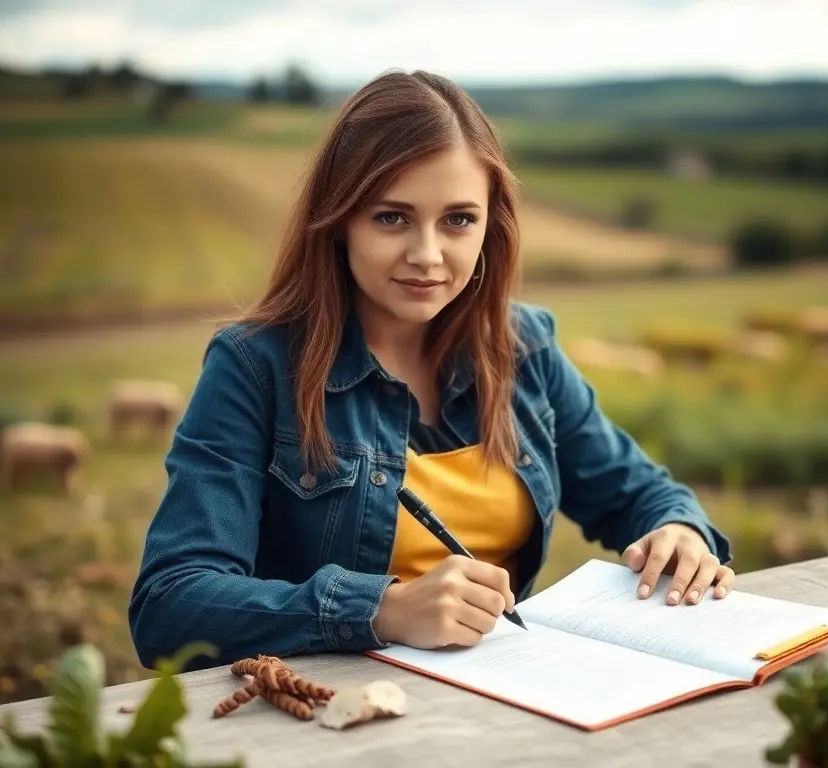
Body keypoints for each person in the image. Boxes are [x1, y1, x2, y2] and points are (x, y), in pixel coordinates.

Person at [128, 69, 734, 671]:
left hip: (511, 694)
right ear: (339, 221)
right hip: (332, 715)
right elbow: (169, 605)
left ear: (490, 226)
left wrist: (678, 530)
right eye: (392, 217)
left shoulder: (524, 348)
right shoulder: (255, 367)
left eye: (458, 219)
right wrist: (381, 610)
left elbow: (643, 493)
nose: (427, 254)